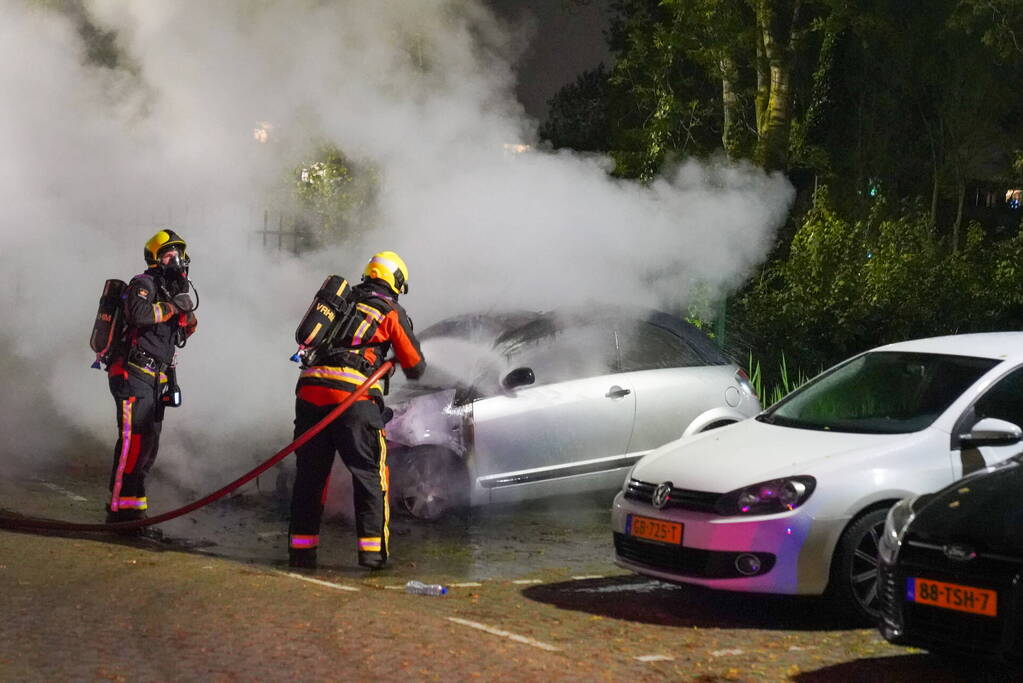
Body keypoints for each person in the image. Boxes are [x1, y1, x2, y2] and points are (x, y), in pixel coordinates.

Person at [288, 250, 425, 570]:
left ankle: (301, 552)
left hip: (309, 393)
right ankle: (373, 555)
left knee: (310, 477)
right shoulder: (389, 310)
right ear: (397, 282)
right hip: (352, 400)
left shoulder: (340, 301)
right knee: (370, 477)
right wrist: (390, 362)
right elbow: (416, 366)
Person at [105, 229, 197, 524]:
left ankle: (135, 509)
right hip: (133, 373)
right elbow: (139, 316)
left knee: (148, 445)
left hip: (156, 378)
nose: (177, 259)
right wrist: (172, 308)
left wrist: (186, 313)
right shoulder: (142, 283)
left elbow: (183, 331)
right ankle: (118, 511)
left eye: (179, 254)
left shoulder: (172, 290)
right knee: (133, 442)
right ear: (156, 258)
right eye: (170, 254)